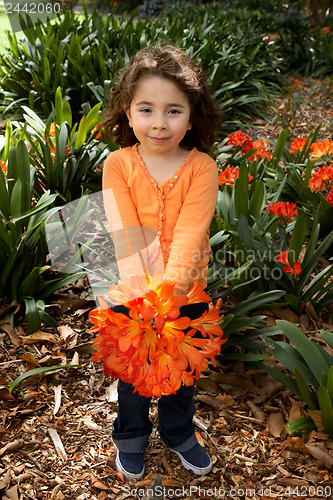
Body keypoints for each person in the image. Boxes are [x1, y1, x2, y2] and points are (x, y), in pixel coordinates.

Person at [100, 42, 223, 481]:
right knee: (134, 377)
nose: (158, 123)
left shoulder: (201, 167)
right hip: (132, 296)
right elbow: (124, 232)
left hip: (186, 292)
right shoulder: (118, 164)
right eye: (146, 109)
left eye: (173, 111)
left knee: (180, 375)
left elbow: (192, 232)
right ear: (127, 114)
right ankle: (130, 435)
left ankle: (178, 432)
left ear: (193, 117)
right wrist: (144, 296)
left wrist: (171, 292)